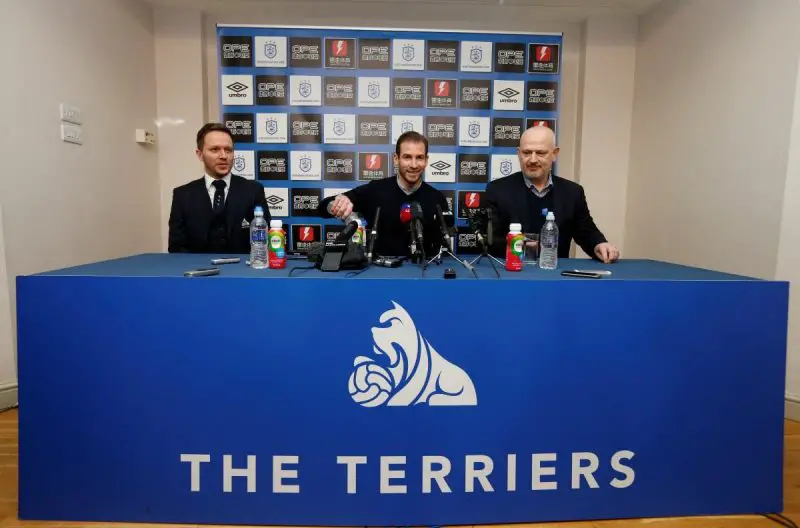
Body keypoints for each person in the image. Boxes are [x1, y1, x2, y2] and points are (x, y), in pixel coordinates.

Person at [485, 126, 619, 263]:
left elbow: (586, 231)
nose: (532, 159)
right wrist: (525, 247)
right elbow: (491, 241)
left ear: (555, 153)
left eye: (540, 153)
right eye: (526, 153)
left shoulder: (572, 192)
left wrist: (599, 244)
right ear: (519, 154)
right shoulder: (497, 190)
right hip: (512, 270)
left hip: (554, 272)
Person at [318, 131, 450, 258]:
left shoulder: (437, 198)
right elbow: (322, 208)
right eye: (407, 157)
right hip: (379, 270)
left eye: (419, 157)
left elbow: (446, 243)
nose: (414, 165)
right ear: (396, 159)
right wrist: (336, 204)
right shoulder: (375, 190)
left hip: (424, 270)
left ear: (426, 160)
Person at [168, 123, 269, 254]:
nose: (223, 156)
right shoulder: (182, 195)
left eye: (228, 150)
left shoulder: (253, 190)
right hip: (197, 267)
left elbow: (265, 240)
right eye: (215, 149)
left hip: (242, 266)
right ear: (200, 154)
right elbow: (176, 248)